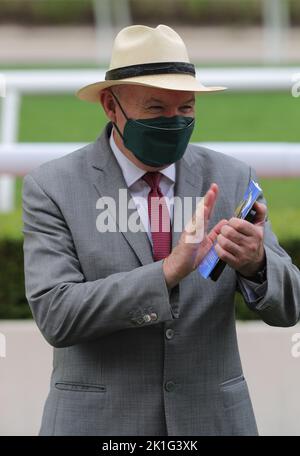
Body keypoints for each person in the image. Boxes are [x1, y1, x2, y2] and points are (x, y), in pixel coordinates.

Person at [22, 24, 300, 436]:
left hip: (213, 422)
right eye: (155, 109)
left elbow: (290, 304)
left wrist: (257, 265)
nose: (173, 122)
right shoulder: (53, 186)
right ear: (109, 106)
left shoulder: (232, 177)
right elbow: (57, 316)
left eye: (185, 109)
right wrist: (167, 272)